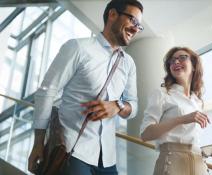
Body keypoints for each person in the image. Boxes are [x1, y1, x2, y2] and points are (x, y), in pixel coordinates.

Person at [28, 0, 144, 174]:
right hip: (72, 151)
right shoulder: (78, 47)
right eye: (133, 21)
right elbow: (46, 92)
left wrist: (118, 106)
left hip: (108, 160)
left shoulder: (129, 64)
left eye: (139, 25)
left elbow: (133, 105)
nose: (136, 29)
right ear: (112, 15)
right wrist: (38, 142)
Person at [140, 47, 212, 175]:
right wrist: (183, 119)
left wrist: (210, 153)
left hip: (199, 165)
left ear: (194, 65)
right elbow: (145, 135)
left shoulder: (197, 101)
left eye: (182, 57)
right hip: (172, 164)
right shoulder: (162, 93)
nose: (175, 62)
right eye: (172, 60)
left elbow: (191, 142)